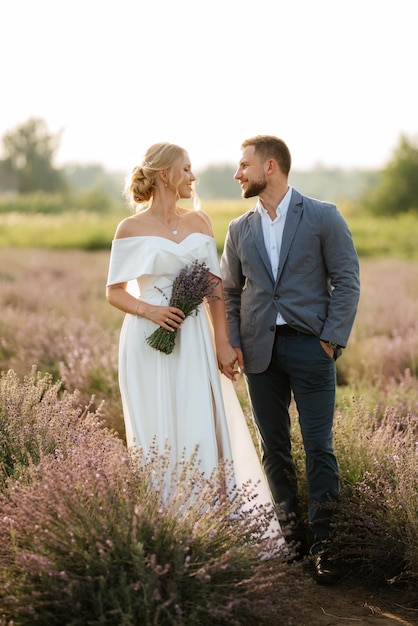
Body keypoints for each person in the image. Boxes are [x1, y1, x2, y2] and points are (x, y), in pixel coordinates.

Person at [105, 142, 282, 543]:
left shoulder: (200, 222)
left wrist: (222, 342)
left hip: (196, 339)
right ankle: (164, 531)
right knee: (157, 431)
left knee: (201, 423)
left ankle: (210, 526)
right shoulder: (129, 229)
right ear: (164, 175)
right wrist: (149, 311)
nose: (192, 176)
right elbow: (114, 292)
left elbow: (215, 289)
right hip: (148, 341)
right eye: (186, 169)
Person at [219, 135, 360, 584]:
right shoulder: (239, 228)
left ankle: (327, 546)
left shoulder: (322, 216)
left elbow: (347, 281)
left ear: (271, 167)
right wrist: (235, 340)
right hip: (261, 354)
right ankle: (290, 541)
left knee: (319, 446)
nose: (237, 173)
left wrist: (330, 339)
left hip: (311, 348)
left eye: (244, 165)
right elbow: (229, 292)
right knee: (274, 450)